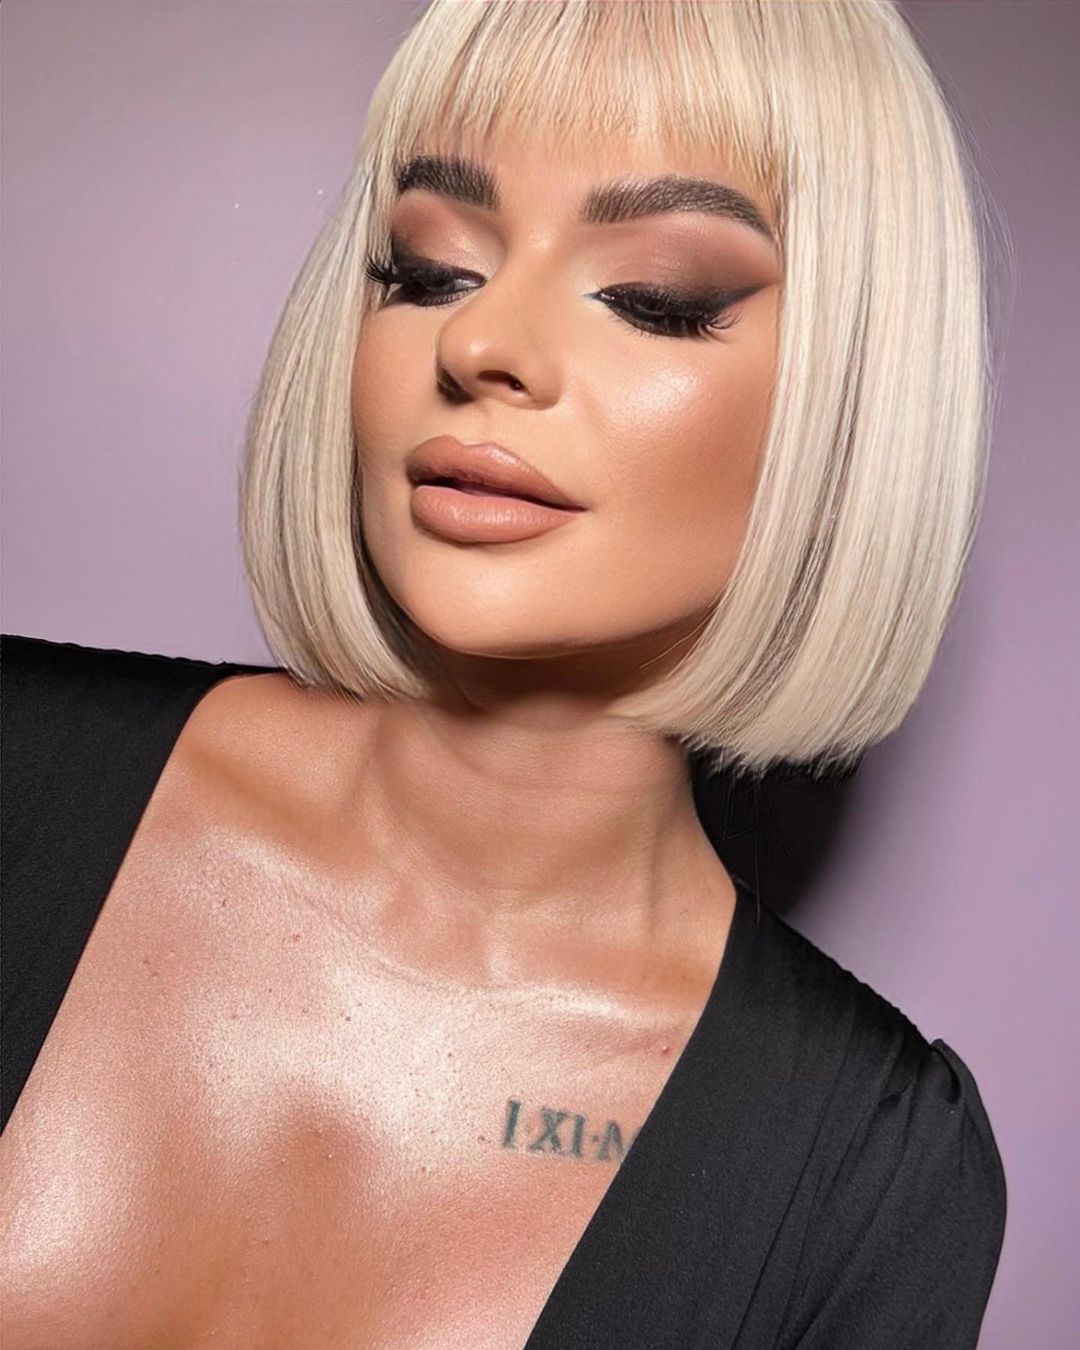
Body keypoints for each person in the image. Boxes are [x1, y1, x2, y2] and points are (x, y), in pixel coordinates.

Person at [0, 1, 1007, 1346]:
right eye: (429, 270)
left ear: (851, 401)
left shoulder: (862, 1180)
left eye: (654, 298)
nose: (480, 345)